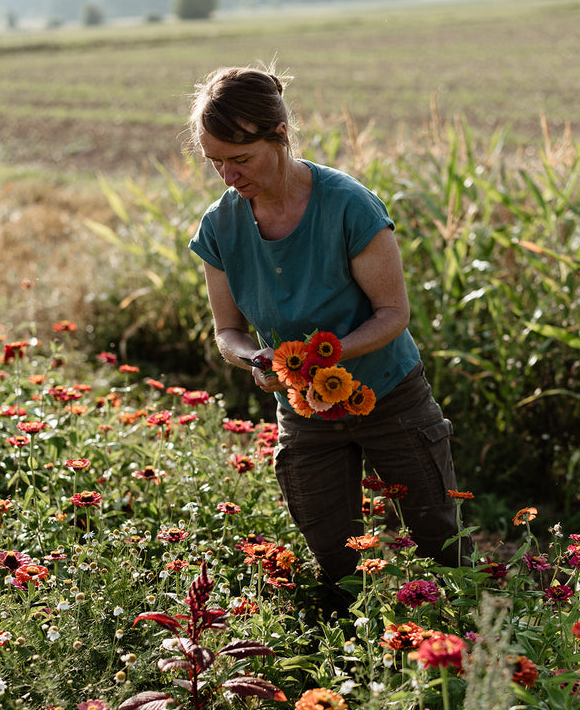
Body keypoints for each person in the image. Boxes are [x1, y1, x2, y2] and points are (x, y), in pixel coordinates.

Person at [188, 65, 471, 591]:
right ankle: (363, 661)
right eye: (215, 163)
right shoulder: (219, 225)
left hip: (389, 395)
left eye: (240, 159)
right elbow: (227, 329)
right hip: (305, 410)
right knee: (336, 561)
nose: (229, 176)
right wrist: (254, 359)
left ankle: (470, 651)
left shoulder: (347, 204)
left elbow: (393, 313)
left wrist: (327, 354)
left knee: (438, 541)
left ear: (279, 137)